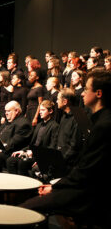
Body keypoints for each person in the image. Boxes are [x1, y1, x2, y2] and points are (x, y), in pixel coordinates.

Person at [20, 70, 111, 228]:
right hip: (84, 184)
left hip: (90, 191)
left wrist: (55, 186)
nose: (82, 94)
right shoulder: (100, 120)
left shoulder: (103, 125)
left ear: (98, 93)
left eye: (86, 89)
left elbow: (85, 170)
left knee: (26, 209)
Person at [6, 100, 59, 176]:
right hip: (32, 152)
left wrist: (35, 154)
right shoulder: (39, 125)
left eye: (43, 110)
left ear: (50, 111)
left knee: (23, 162)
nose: (40, 112)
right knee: (10, 160)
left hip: (41, 155)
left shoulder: (54, 126)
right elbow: (32, 144)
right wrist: (22, 151)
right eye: (40, 110)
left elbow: (52, 147)